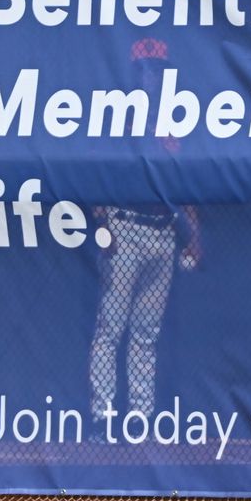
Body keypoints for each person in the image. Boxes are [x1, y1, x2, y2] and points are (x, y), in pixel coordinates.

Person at [87, 38, 201, 434]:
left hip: (163, 234)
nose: (151, 75)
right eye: (145, 68)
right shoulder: (118, 116)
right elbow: (96, 173)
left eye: (157, 68)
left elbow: (185, 183)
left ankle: (140, 419)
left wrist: (193, 232)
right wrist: (102, 223)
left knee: (146, 333)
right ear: (133, 74)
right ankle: (102, 417)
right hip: (125, 227)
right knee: (111, 327)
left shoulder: (174, 120)